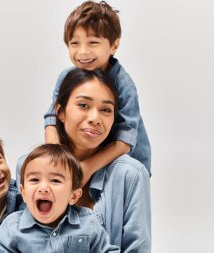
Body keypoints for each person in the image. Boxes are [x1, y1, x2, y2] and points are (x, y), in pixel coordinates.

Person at [18, 69, 151, 252]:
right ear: (61, 112)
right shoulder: (27, 166)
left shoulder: (130, 175)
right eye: (83, 105)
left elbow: (137, 248)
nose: (95, 118)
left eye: (106, 110)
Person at [44, 1, 151, 186]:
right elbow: (52, 117)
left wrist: (88, 167)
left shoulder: (123, 85)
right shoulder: (66, 77)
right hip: (88, 150)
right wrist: (56, 153)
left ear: (114, 46)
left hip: (124, 157)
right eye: (74, 43)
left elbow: (124, 141)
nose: (83, 51)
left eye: (93, 42)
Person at [0, 144, 120, 253]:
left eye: (55, 180)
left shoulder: (88, 222)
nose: (43, 188)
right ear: (23, 193)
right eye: (34, 179)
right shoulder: (12, 228)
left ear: (73, 196)